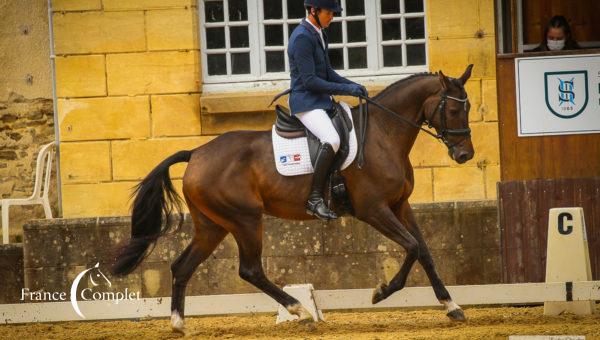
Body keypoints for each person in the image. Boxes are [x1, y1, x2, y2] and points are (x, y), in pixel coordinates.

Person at [287, 0, 367, 220]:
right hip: (306, 102)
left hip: (320, 100)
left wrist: (353, 86)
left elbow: (328, 73)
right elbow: (311, 81)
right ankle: (314, 199)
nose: (332, 17)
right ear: (314, 10)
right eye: (329, 13)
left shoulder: (318, 32)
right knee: (331, 139)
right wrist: (346, 89)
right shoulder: (302, 37)